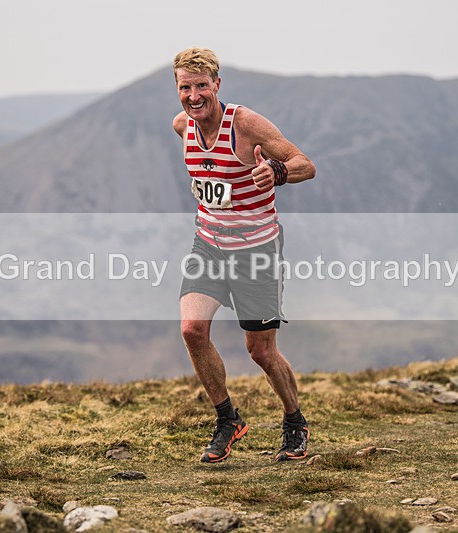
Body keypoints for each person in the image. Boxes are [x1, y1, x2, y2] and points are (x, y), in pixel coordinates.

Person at [171, 48, 316, 463]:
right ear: (177, 89)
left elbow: (305, 163)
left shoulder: (246, 125)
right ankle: (227, 419)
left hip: (256, 251)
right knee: (192, 330)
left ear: (217, 85)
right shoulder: (182, 126)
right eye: (186, 87)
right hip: (209, 246)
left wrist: (277, 172)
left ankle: (295, 422)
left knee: (261, 350)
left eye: (202, 86)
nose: (194, 95)